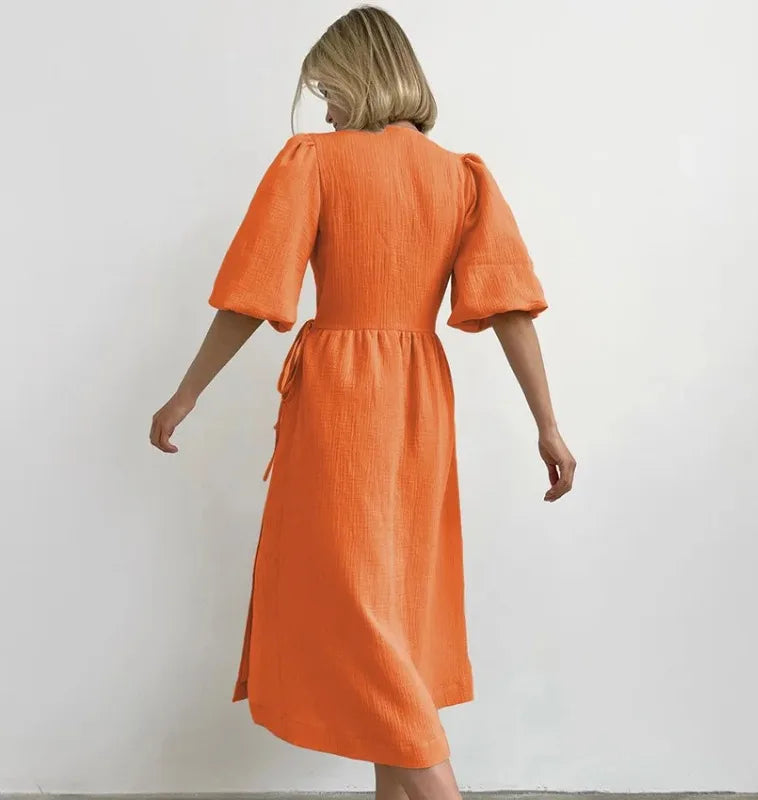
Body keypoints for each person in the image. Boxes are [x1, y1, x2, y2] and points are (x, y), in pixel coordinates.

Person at [149, 5, 575, 798]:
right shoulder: (462, 176)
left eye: (329, 90)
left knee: (358, 606)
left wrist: (186, 393)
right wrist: (546, 425)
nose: (326, 110)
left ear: (358, 76)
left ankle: (440, 790)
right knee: (391, 605)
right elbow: (511, 308)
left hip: (343, 399)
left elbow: (251, 295)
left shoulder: (315, 161)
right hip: (421, 398)